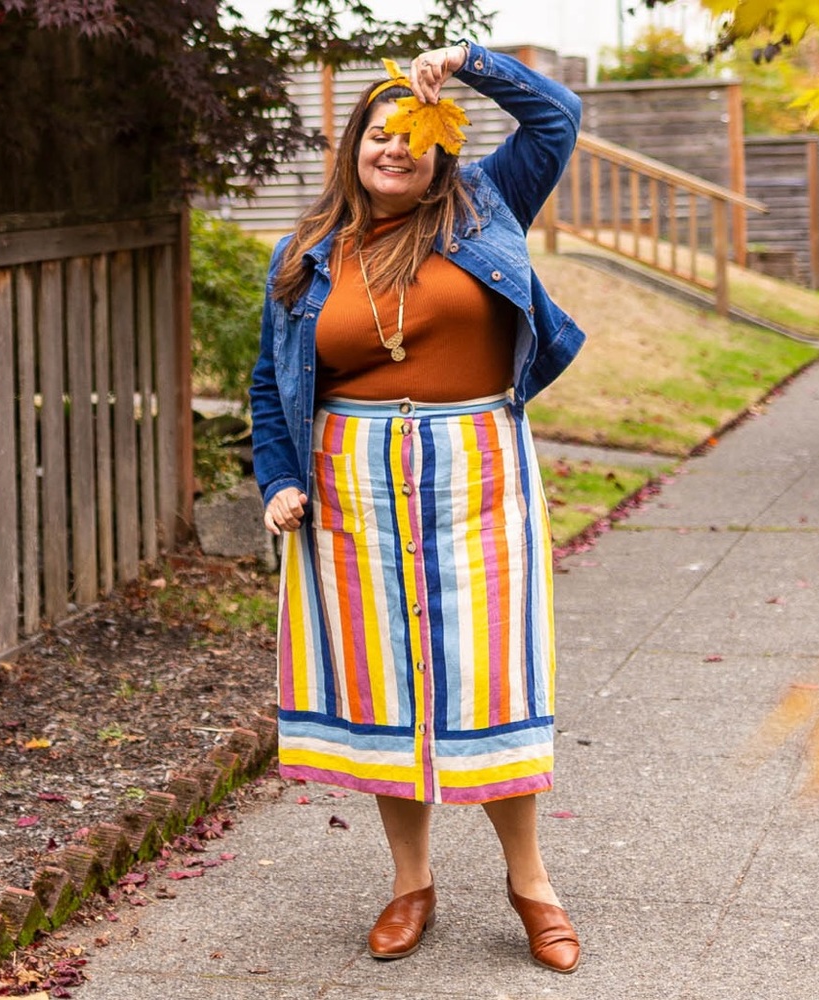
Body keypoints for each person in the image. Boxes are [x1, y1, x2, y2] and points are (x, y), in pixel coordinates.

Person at [249, 40, 586, 974]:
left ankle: (531, 884)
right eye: (379, 134)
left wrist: (467, 61)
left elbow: (557, 115)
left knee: (493, 678)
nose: (396, 149)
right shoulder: (309, 250)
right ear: (354, 145)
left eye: (416, 136)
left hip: (478, 472)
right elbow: (266, 380)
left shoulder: (486, 201)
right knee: (380, 686)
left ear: (443, 149)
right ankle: (412, 883)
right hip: (348, 480)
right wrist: (279, 478)